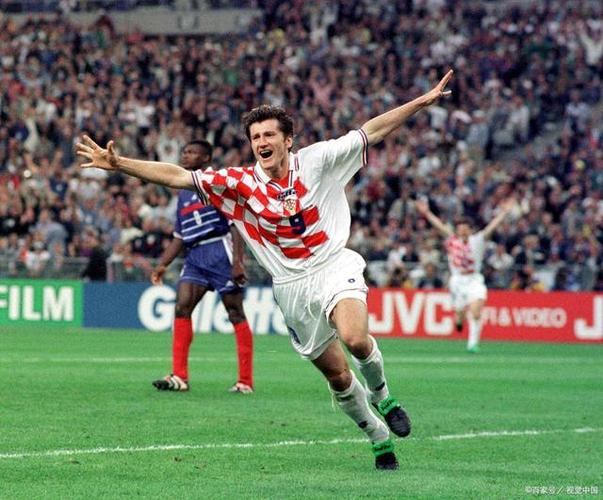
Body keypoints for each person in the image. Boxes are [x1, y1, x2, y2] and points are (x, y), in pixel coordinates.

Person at [76, 69, 454, 471]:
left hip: (332, 264)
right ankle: (377, 436)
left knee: (355, 338)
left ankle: (383, 396)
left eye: (269, 134)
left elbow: (371, 131)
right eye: (255, 137)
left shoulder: (318, 160)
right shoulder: (239, 183)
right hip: (291, 287)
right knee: (339, 377)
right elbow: (178, 176)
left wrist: (420, 102)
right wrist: (120, 164)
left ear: (288, 140)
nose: (262, 142)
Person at [150, 140, 254, 394]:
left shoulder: (216, 183)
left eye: (192, 152)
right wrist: (162, 265)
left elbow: (236, 224)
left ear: (206, 158)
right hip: (195, 255)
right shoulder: (183, 193)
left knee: (235, 312)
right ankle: (180, 376)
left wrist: (238, 262)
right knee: (181, 307)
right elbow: (179, 236)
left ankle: (245, 381)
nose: (185, 156)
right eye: (184, 152)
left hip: (220, 250)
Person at [415, 197, 516, 353]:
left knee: (476, 311)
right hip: (457, 280)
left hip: (474, 279)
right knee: (460, 313)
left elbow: (492, 227)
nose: (462, 231)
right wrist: (427, 213)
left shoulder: (478, 240)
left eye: (465, 228)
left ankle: (473, 344)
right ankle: (459, 320)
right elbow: (439, 226)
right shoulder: (452, 240)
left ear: (470, 230)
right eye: (460, 228)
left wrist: (504, 213)